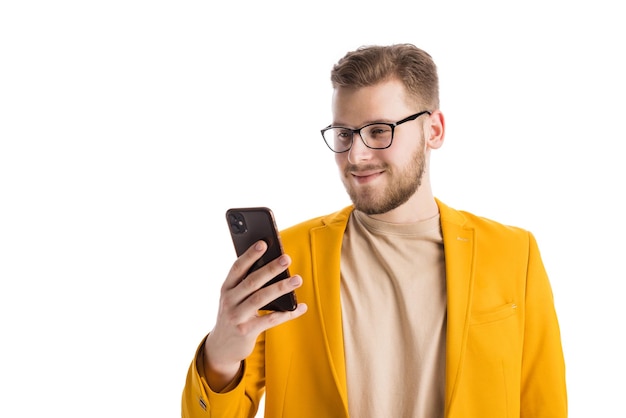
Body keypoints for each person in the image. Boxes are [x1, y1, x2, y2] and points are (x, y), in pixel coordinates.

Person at [181, 43, 567, 418]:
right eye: (344, 134)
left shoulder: (514, 254)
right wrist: (222, 355)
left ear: (433, 130)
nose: (356, 156)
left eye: (379, 131)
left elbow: (543, 406)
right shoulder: (287, 258)